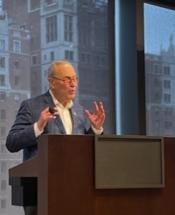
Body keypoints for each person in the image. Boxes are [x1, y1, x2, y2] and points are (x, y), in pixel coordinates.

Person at [6, 60, 105, 215]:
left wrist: (95, 129)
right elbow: (12, 142)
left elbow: (81, 149)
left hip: (75, 189)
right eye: (66, 79)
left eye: (75, 79)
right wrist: (38, 126)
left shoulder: (78, 111)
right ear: (52, 82)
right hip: (41, 191)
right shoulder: (32, 106)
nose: (73, 84)